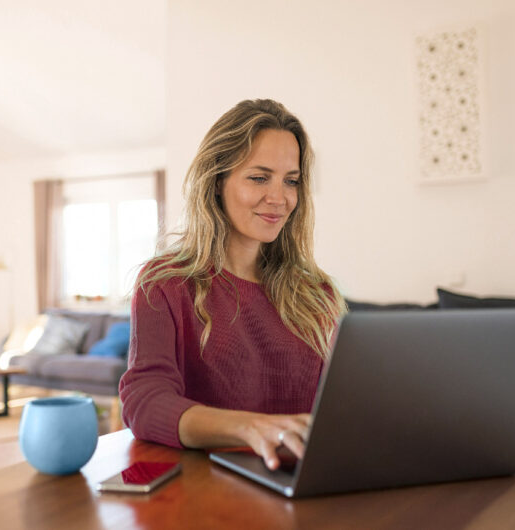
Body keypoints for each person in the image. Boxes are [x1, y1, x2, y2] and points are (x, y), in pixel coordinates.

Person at [119, 99, 347, 470]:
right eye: (259, 177)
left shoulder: (317, 294)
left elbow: (341, 405)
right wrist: (248, 428)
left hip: (300, 484)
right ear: (217, 181)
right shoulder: (166, 284)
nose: (280, 198)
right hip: (207, 488)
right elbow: (145, 401)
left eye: (291, 181)